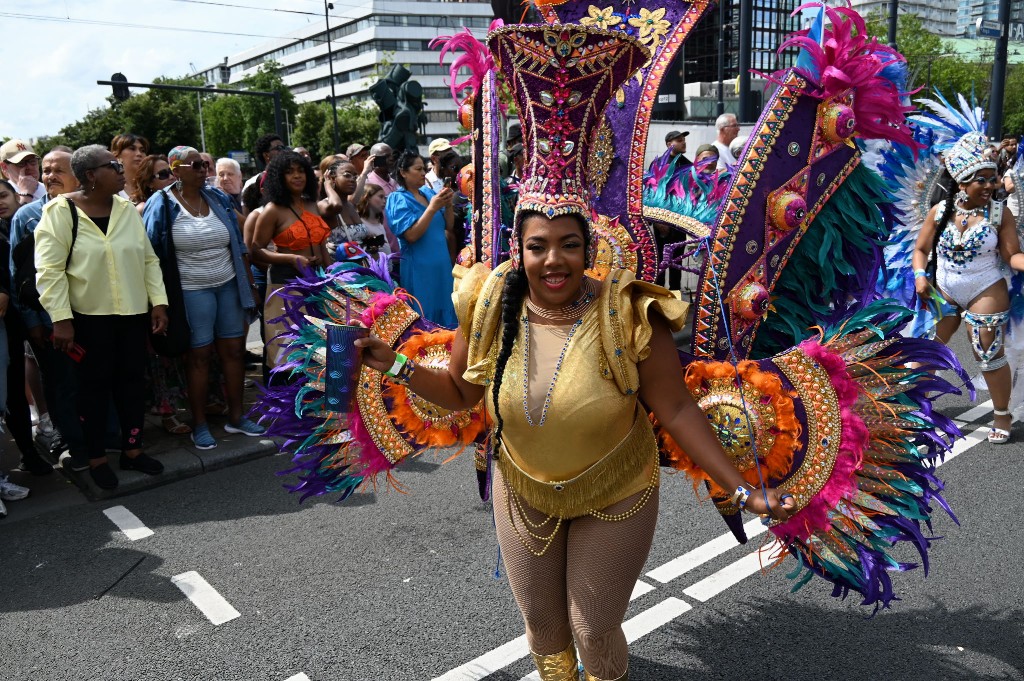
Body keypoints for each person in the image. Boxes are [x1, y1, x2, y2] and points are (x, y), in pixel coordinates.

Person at [356, 208, 794, 679]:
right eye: (537, 246)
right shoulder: (490, 305)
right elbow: (462, 394)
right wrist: (395, 366)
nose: (553, 260)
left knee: (594, 629)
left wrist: (743, 491)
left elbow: (678, 409)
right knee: (543, 630)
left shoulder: (626, 311)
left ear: (589, 250)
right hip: (523, 490)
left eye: (568, 244)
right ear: (518, 252)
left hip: (616, 491)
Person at [34, 144, 169, 490]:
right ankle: (96, 458)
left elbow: (147, 260)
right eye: (113, 165)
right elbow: (48, 271)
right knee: (93, 390)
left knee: (131, 384)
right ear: (91, 175)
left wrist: (158, 303)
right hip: (87, 319)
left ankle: (133, 451)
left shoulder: (125, 209)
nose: (121, 170)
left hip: (132, 315)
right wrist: (61, 320)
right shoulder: (60, 212)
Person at [143, 146, 263, 449]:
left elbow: (239, 242)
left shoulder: (218, 197)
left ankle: (237, 417)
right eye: (194, 165)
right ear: (176, 170)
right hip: (191, 290)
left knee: (234, 351)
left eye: (204, 164)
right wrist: (158, 302)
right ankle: (199, 424)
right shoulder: (162, 204)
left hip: (228, 285)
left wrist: (249, 284)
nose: (202, 170)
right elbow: (152, 255)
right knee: (198, 356)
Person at [913, 132, 1024, 444]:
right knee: (927, 349)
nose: (990, 186)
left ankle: (1002, 413)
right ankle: (918, 407)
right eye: (982, 180)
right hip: (944, 289)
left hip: (985, 288)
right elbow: (920, 249)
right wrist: (921, 276)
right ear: (962, 182)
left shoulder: (1001, 214)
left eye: (993, 179)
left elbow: (1011, 255)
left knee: (987, 352)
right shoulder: (940, 211)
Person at [251, 151, 331, 368]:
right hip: (285, 285)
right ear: (279, 178)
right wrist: (291, 258)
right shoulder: (272, 210)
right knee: (288, 351)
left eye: (300, 171)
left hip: (317, 282)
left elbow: (322, 245)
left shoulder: (312, 205)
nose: (297, 176)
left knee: (318, 349)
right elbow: (255, 250)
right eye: (289, 172)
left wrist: (335, 275)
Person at [0, 179, 52, 475]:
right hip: (10, 321)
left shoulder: (27, 223)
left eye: (4, 195)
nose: (0, 202)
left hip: (28, 317)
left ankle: (30, 452)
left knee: (17, 393)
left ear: (15, 196)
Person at [385, 150, 458, 327]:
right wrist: (432, 208)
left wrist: (448, 206)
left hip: (441, 268)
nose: (423, 173)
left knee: (447, 315)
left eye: (423, 169)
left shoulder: (428, 193)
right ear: (403, 172)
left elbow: (448, 225)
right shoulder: (397, 199)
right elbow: (411, 235)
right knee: (426, 317)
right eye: (417, 169)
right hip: (420, 271)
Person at [0, 139, 45, 205]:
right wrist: (26, 194)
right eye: (21, 163)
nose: (29, 167)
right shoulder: (3, 195)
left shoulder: (50, 189)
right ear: (4, 167)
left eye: (32, 161)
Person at [109, 133, 150, 203]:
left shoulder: (151, 185)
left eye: (142, 150)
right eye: (132, 149)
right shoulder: (109, 188)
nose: (139, 154)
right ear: (117, 155)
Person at [355, 183, 391, 257]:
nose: (384, 201)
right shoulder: (359, 223)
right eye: (381, 197)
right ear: (367, 197)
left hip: (387, 267)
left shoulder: (379, 220)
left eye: (385, 198)